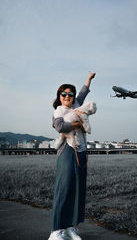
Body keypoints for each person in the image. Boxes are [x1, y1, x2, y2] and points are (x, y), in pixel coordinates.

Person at [48, 72, 96, 240]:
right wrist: (77, 124)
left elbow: (83, 93)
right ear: (59, 97)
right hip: (67, 152)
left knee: (77, 189)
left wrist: (89, 79)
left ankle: (70, 227)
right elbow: (60, 127)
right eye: (64, 94)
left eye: (70, 94)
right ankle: (56, 230)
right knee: (64, 188)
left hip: (81, 150)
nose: (67, 96)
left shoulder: (77, 105)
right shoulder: (58, 110)